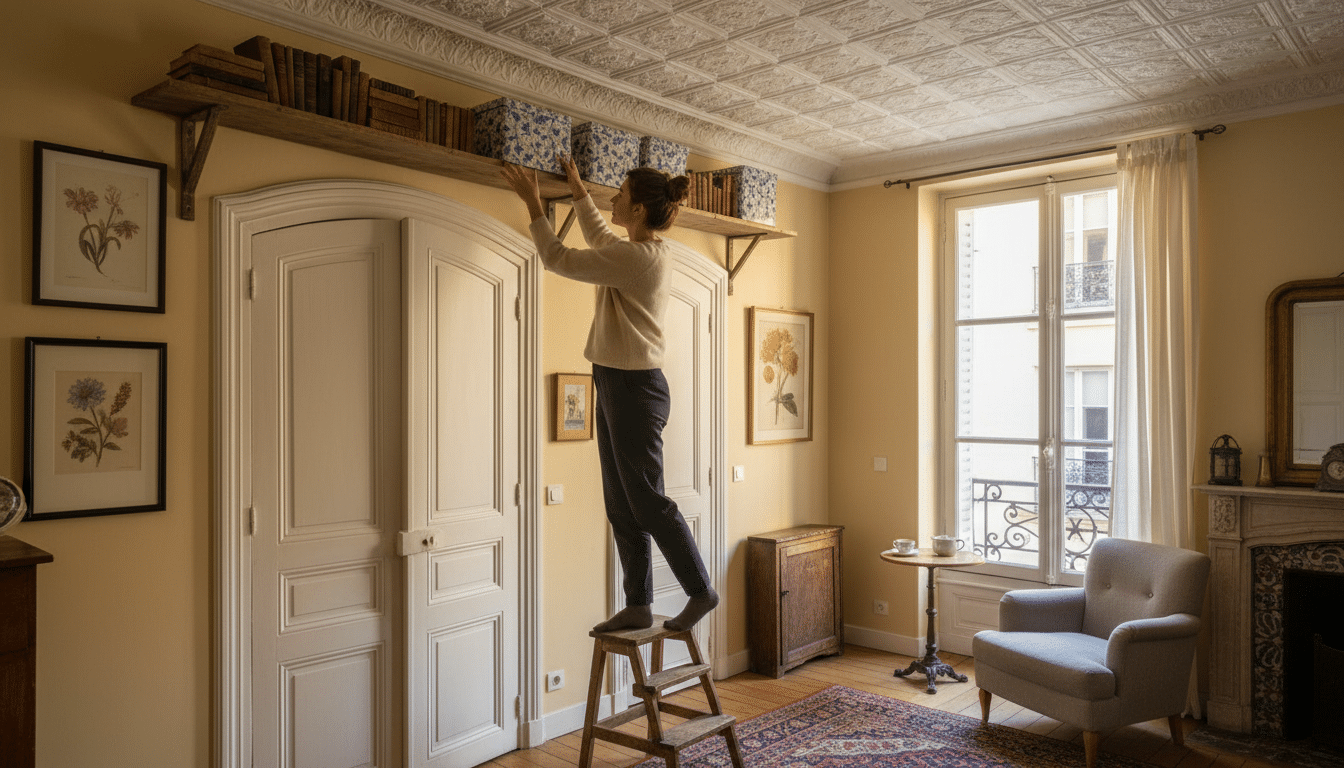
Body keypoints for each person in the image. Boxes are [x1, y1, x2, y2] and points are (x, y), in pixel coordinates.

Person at [500, 155, 719, 633]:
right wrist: (578, 191)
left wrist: (535, 206)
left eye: (619, 196)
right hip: (617, 380)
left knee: (645, 502)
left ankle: (701, 591)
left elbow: (559, 258)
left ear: (638, 210)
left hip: (633, 387)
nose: (613, 200)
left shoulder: (638, 258)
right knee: (621, 503)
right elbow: (600, 238)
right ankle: (638, 602)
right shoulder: (639, 251)